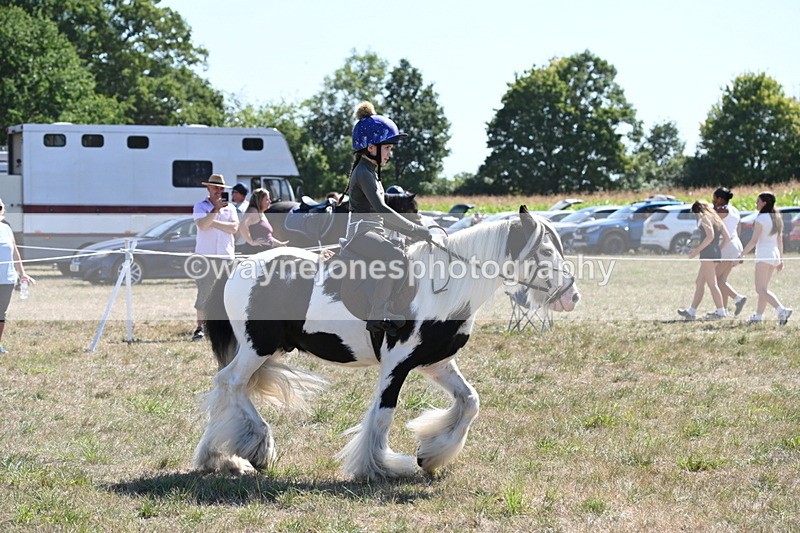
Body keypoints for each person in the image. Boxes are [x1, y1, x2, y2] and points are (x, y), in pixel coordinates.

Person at [343, 101, 432, 335]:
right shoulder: (363, 173)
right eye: (388, 148)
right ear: (371, 147)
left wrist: (408, 231)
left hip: (373, 232)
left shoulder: (370, 172)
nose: (390, 154)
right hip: (361, 233)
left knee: (401, 252)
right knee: (395, 256)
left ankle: (392, 305)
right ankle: (377, 313)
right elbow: (381, 209)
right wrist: (414, 229)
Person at [191, 174, 239, 341]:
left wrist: (213, 221)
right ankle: (200, 328)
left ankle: (225, 328)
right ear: (208, 188)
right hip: (206, 257)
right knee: (204, 292)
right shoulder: (200, 205)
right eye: (215, 187)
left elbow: (234, 228)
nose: (218, 190)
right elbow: (203, 225)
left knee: (227, 293)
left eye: (221, 188)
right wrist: (215, 211)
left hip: (226, 256)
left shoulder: (231, 208)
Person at [740, 192, 792, 325]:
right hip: (773, 255)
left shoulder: (761, 218)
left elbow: (753, 241)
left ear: (764, 203)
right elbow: (779, 240)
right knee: (764, 289)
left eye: (758, 201)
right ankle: (758, 317)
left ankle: (782, 310)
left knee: (760, 289)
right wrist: (780, 259)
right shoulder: (776, 217)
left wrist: (741, 255)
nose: (756, 204)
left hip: (764, 255)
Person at [678, 200, 731, 321]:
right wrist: (717, 250)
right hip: (715, 253)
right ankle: (691, 311)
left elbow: (710, 236)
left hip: (707, 254)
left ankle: (721, 312)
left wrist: (696, 251)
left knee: (712, 284)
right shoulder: (716, 218)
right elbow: (727, 238)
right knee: (699, 282)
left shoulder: (705, 218)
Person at [0, 198, 34, 353]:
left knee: (1, 313)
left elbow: (14, 252)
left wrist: (23, 273)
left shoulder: (6, 229)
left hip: (6, 279)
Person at [712, 187, 747, 315]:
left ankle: (738, 298)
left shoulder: (722, 211)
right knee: (722, 280)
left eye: (715, 198)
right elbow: (738, 229)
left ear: (720, 199)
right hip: (735, 243)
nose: (713, 200)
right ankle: (723, 310)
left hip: (727, 246)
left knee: (715, 279)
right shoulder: (734, 210)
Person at [238, 188, 288, 255]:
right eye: (267, 199)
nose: (270, 201)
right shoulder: (253, 211)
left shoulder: (261, 213)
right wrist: (251, 242)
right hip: (254, 252)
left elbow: (267, 237)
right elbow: (242, 226)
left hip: (263, 252)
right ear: (259, 200)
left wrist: (280, 244)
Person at [231, 183, 249, 250]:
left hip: (239, 243)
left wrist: (233, 241)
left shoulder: (238, 209)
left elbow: (239, 228)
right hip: (248, 242)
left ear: (243, 194)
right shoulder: (249, 205)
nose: (233, 194)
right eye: (233, 192)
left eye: (236, 192)